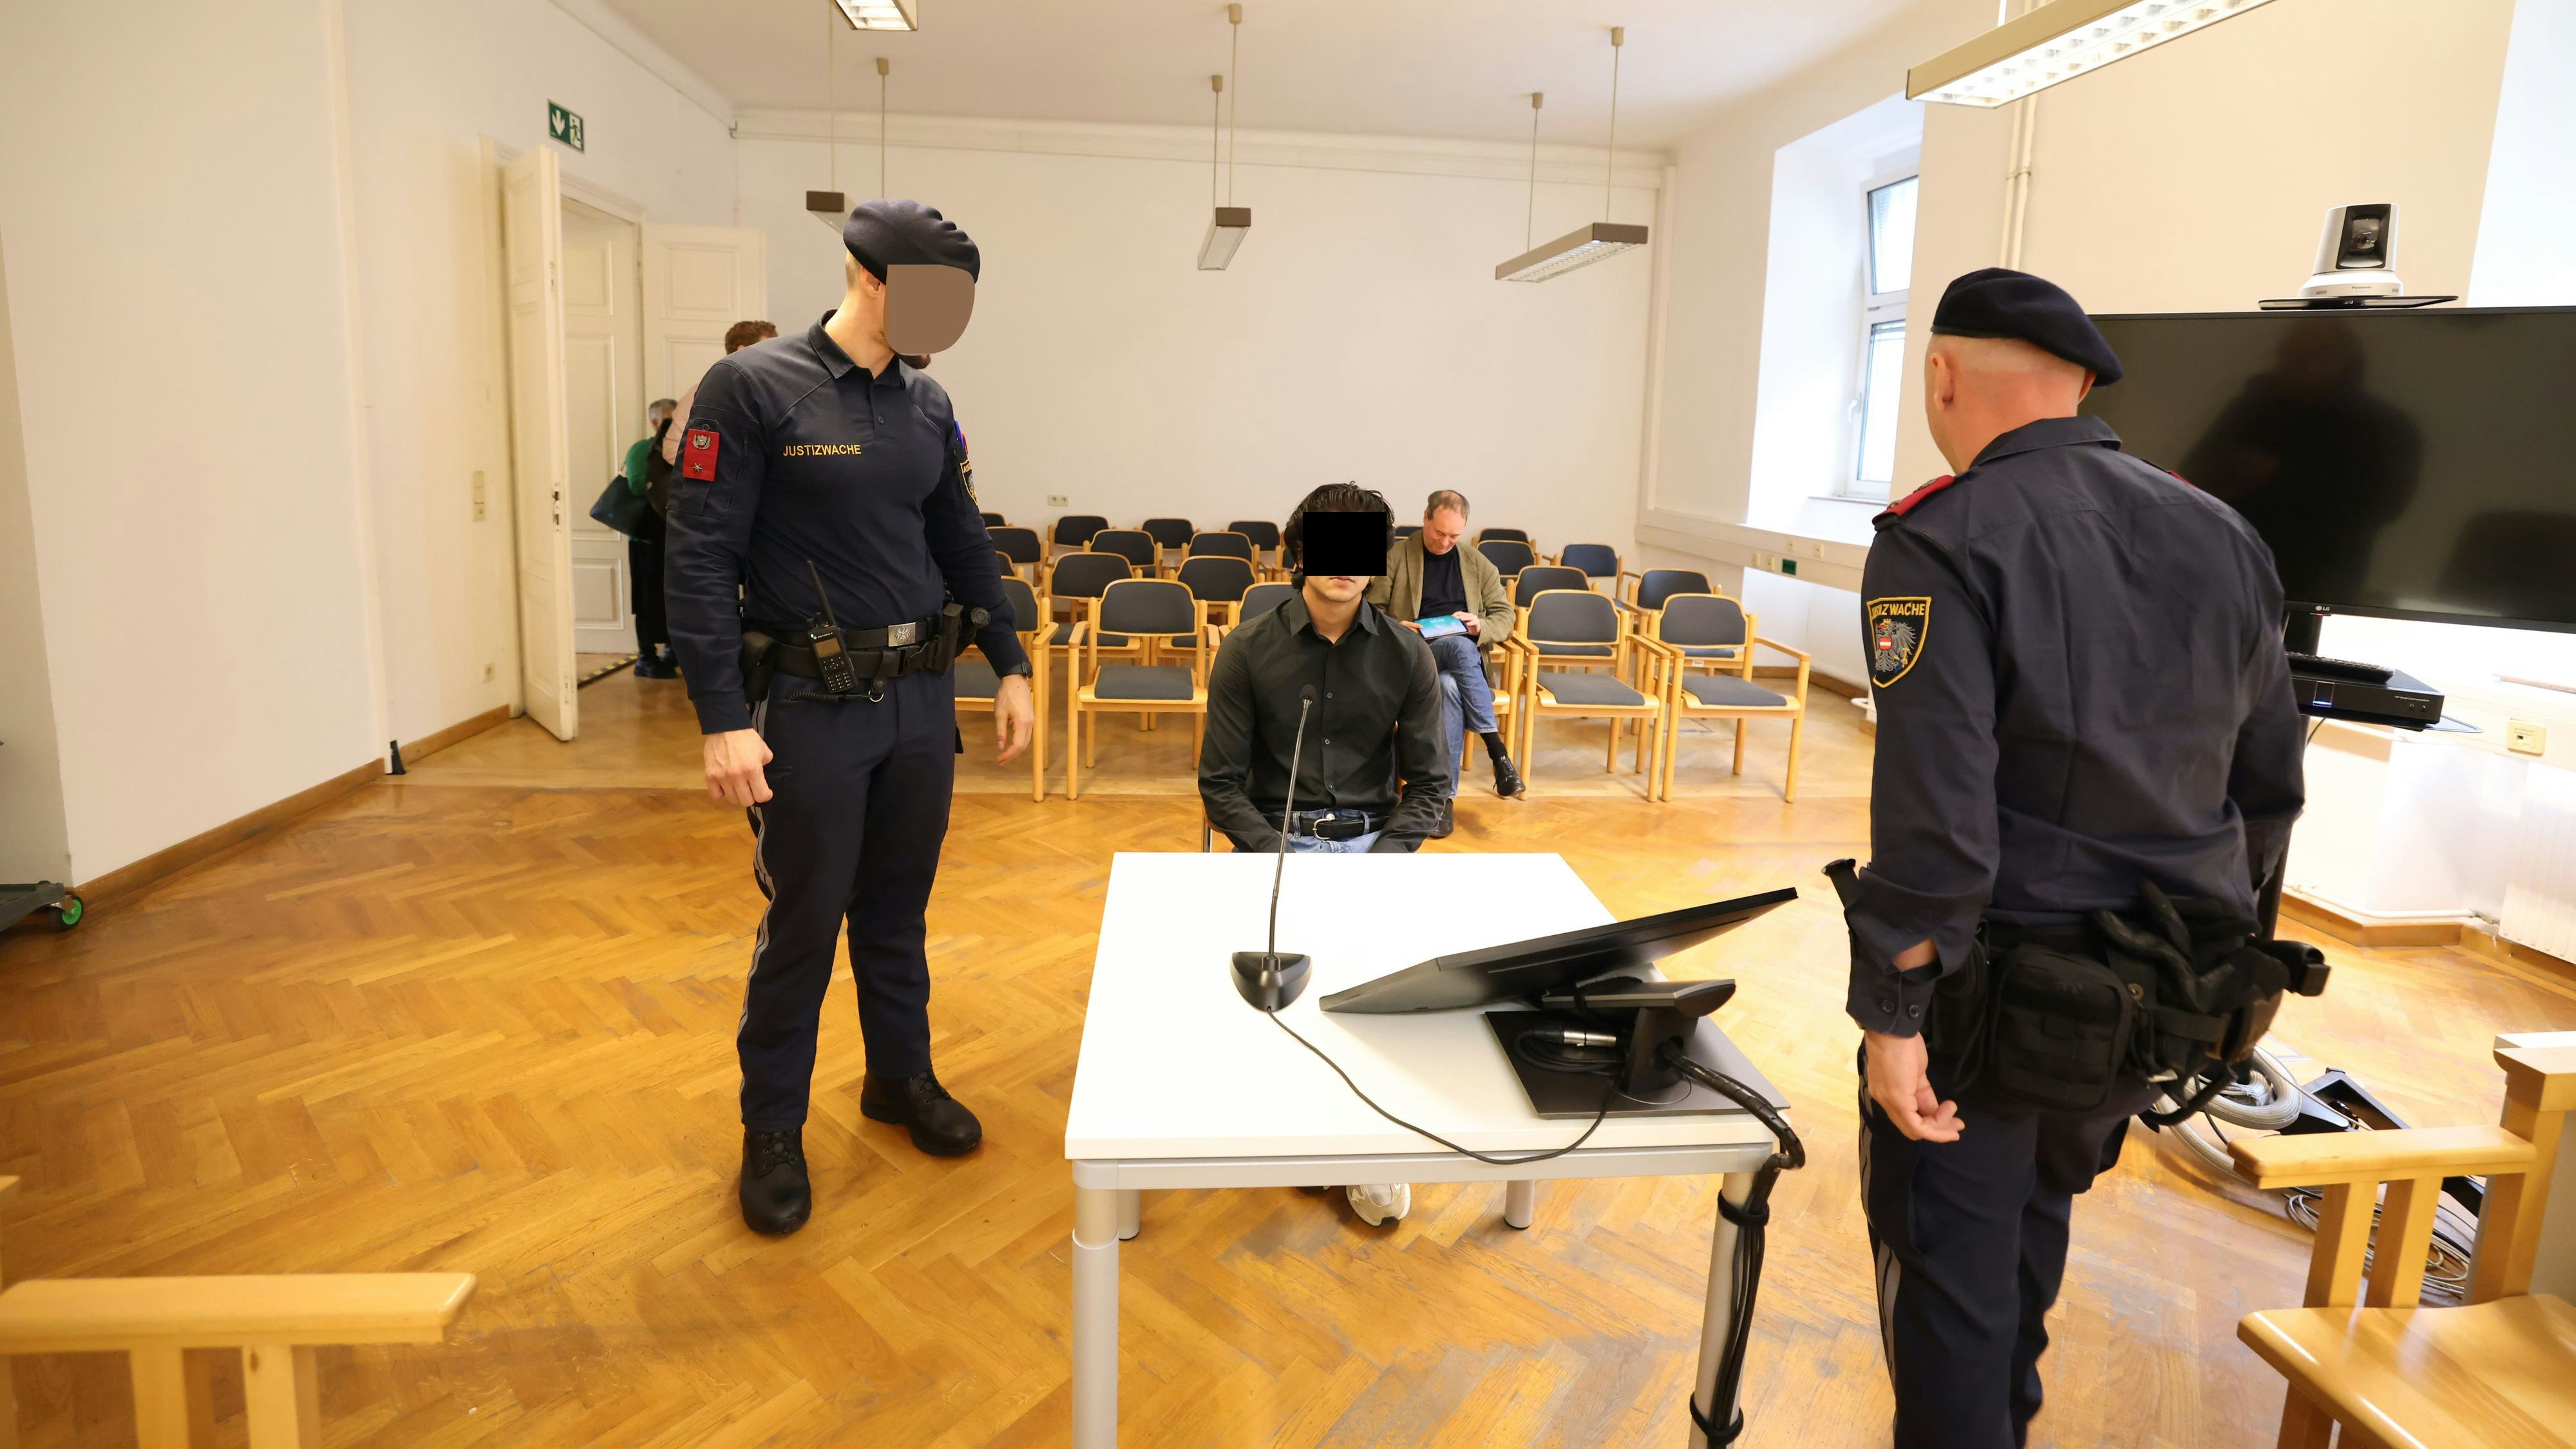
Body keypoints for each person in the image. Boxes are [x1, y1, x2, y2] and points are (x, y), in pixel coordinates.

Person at [1843, 267, 2307, 1448]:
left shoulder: (1941, 541)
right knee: (2030, 1238)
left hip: (1996, 1001)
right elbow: (2267, 786)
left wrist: (1895, 1016)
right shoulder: (2227, 535)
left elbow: (1939, 824)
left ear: (1940, 373)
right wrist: (2220, 957)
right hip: (2152, 1004)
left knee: (1947, 1283)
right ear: (2085, 384)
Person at [663, 201, 1034, 1236]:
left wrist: (1007, 661)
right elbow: (698, 560)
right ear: (867, 277)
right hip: (812, 709)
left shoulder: (928, 403)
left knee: (897, 911)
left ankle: (897, 1079)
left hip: (920, 705)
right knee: (804, 923)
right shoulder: (752, 389)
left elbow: (964, 539)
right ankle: (772, 1128)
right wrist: (721, 717)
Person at [1198, 482, 1446, 1227]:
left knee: (1378, 1000)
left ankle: (1364, 1144)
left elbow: (1432, 786)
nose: (1343, 567)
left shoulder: (1407, 654)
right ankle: (1303, 1127)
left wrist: (1382, 861)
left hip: (1374, 840)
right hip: (1276, 837)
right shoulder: (1248, 650)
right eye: (1328, 546)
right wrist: (1282, 855)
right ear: (1298, 553)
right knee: (1286, 988)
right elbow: (1219, 783)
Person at [1368, 489, 1524, 808]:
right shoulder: (1396, 558)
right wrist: (1400, 626)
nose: (1444, 542)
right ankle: (1498, 753)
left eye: (1454, 536)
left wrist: (1480, 625)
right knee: (1457, 646)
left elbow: (1505, 616)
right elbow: (1372, 611)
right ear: (1425, 519)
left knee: (1449, 687)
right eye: (1439, 532)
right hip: (1412, 653)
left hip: (1460, 670)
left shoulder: (1477, 563)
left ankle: (1442, 800)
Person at [661, 319, 781, 469]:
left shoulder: (777, 394)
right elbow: (673, 447)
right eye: (767, 352)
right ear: (741, 351)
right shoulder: (702, 393)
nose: (776, 359)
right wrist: (720, 473)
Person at [621, 397, 679, 677]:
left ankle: (671, 650)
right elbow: (635, 486)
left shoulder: (683, 447)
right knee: (647, 598)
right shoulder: (641, 449)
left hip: (674, 536)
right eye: (668, 419)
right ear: (655, 421)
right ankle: (646, 657)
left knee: (673, 595)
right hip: (646, 539)